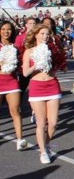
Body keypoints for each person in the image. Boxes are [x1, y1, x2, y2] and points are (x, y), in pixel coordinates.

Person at [22, 24, 61, 164]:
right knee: (41, 123)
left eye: (47, 34)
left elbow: (59, 66)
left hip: (52, 85)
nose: (45, 36)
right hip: (37, 87)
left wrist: (57, 67)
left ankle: (46, 143)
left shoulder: (52, 50)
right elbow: (25, 73)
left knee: (54, 123)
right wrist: (36, 64)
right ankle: (43, 152)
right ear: (36, 35)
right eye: (42, 33)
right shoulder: (29, 51)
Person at [0, 21, 28, 151]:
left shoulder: (15, 47)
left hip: (11, 81)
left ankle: (20, 139)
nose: (6, 31)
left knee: (16, 110)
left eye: (9, 29)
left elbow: (19, 65)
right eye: (4, 29)